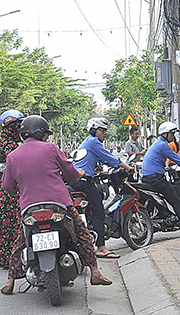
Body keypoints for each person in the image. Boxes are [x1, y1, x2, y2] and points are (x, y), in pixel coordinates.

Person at [1, 115, 112, 295]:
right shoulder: (51, 149)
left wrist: (18, 193)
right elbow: (71, 174)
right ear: (40, 133)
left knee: (20, 241)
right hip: (59, 204)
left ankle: (10, 281)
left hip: (30, 208)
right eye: (45, 134)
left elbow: (7, 186)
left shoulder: (13, 156)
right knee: (83, 233)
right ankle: (95, 271)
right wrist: (78, 174)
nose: (47, 137)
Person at [70, 118, 132, 259]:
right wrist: (127, 167)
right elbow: (109, 158)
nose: (104, 133)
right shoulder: (93, 142)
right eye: (102, 130)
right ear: (94, 130)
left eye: (105, 131)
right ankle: (101, 248)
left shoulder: (86, 142)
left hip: (75, 181)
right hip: (84, 182)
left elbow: (96, 160)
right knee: (99, 213)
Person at [141, 122, 180, 236]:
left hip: (148, 178)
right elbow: (178, 160)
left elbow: (176, 156)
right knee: (176, 202)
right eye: (172, 134)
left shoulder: (159, 143)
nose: (173, 136)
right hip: (156, 179)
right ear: (165, 134)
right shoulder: (163, 145)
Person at [0, 110, 24, 269]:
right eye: (18, 125)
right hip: (5, 188)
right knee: (9, 223)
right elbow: (17, 160)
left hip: (9, 185)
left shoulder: (12, 141)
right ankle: (9, 258)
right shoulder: (6, 142)